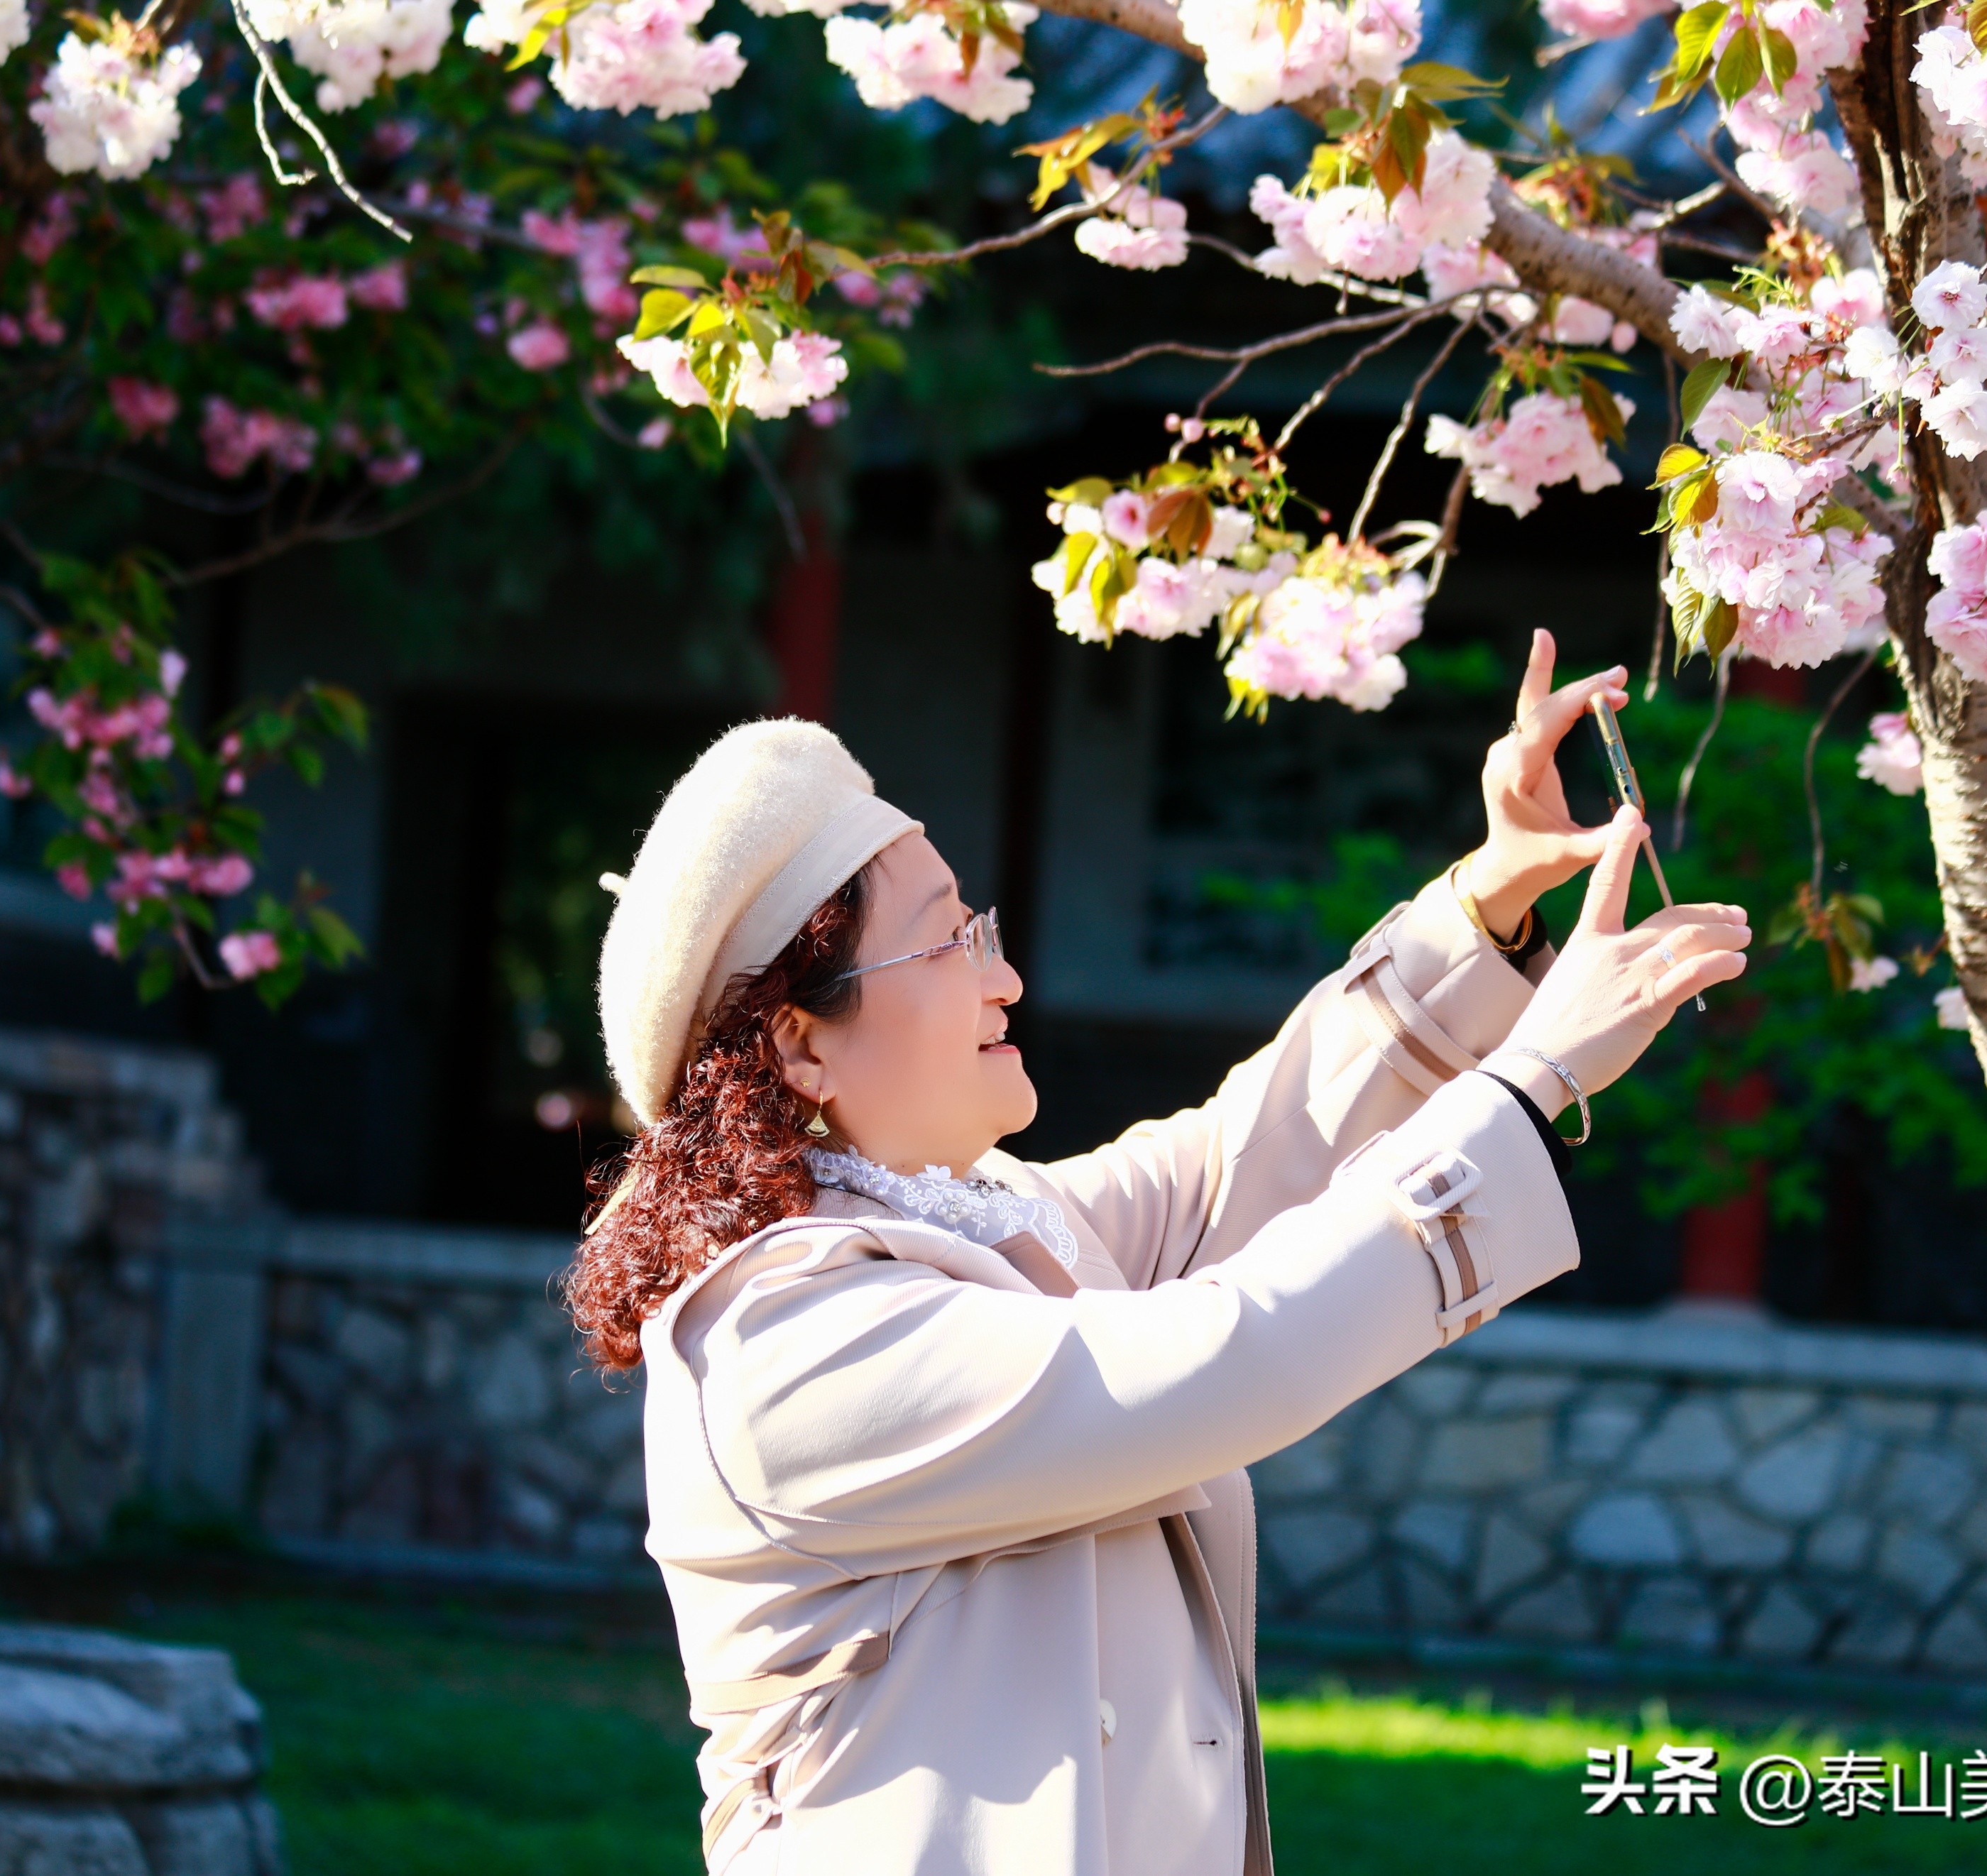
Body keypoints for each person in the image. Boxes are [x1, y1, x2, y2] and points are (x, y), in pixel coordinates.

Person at [573, 629, 1751, 1876]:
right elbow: (1219, 1358)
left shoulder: (990, 1223)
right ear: (801, 1045)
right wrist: (1529, 1079)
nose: (1002, 977)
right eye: (947, 941)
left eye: (979, 925)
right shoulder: (784, 1339)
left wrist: (1488, 898)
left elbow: (1239, 1156)